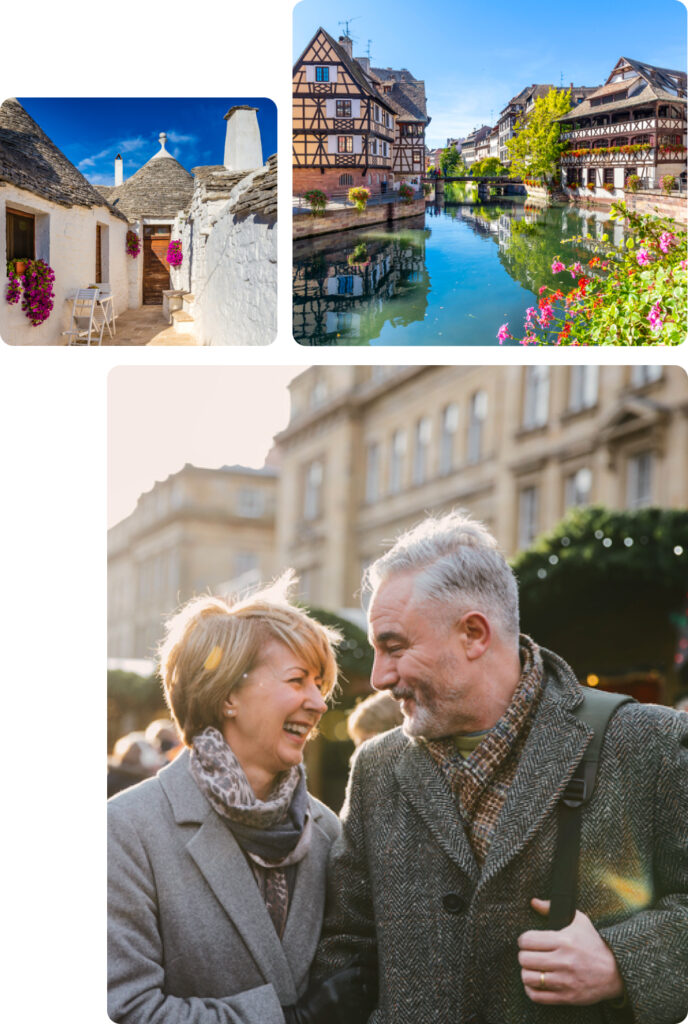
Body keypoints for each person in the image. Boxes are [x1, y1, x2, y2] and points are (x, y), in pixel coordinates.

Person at [314, 511, 688, 1023]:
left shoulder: (648, 741)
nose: (379, 676)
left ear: (473, 634)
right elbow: (346, 946)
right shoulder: (377, 765)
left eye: (395, 646)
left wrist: (620, 963)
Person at [108, 574, 374, 1024]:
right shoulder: (127, 828)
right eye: (298, 680)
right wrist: (294, 1020)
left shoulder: (328, 829)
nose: (318, 702)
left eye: (319, 684)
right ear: (229, 694)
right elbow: (130, 1008)